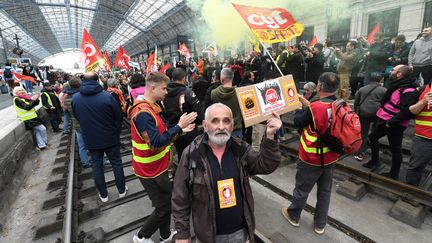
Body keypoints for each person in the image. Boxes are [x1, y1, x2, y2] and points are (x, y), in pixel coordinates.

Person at [172, 103, 282, 243]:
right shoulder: (192, 154)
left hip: (240, 233)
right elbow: (180, 196)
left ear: (232, 125)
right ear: (205, 125)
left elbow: (265, 165)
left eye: (226, 121)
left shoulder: (240, 149)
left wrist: (270, 136)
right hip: (208, 237)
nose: (221, 126)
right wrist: (182, 233)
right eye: (215, 121)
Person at [128, 72, 197, 243]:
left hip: (157, 167)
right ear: (152, 87)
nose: (166, 92)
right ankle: (141, 236)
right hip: (149, 170)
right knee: (164, 206)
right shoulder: (143, 112)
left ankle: (165, 235)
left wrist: (180, 129)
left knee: (165, 203)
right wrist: (179, 127)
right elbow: (156, 142)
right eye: (164, 88)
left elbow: (163, 130)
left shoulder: (152, 107)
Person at [282, 72, 340, 235]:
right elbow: (320, 114)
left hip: (311, 158)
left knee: (302, 189)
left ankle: (294, 215)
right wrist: (306, 102)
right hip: (330, 157)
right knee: (325, 191)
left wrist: (300, 106)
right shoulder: (341, 104)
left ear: (320, 86)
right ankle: (320, 224)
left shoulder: (315, 108)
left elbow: (298, 121)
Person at [72, 72, 127, 202]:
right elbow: (118, 117)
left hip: (91, 139)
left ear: (83, 80)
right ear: (98, 80)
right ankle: (121, 190)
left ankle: (103, 195)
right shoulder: (107, 97)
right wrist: (115, 131)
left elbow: (77, 117)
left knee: (96, 166)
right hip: (110, 137)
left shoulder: (76, 98)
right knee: (116, 163)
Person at [363, 65, 417, 180]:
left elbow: (406, 111)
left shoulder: (407, 90)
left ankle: (394, 174)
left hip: (395, 124)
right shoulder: (397, 85)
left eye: (393, 70)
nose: (391, 71)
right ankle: (374, 161)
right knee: (372, 138)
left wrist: (391, 122)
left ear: (399, 74)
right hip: (386, 119)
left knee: (395, 149)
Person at [163, 68, 204, 161]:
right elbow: (199, 111)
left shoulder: (164, 94)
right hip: (190, 131)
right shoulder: (187, 93)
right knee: (195, 158)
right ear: (184, 78)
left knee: (182, 158)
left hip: (174, 131)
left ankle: (182, 173)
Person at [353, 73, 387, 161]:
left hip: (363, 113)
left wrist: (355, 112)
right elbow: (385, 103)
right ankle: (374, 151)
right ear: (381, 80)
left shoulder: (362, 89)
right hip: (377, 114)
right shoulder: (384, 90)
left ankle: (361, 153)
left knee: (363, 133)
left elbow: (356, 102)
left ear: (370, 79)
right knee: (374, 133)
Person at [405, 82, 432, 186]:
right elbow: (409, 111)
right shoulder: (421, 90)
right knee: (416, 167)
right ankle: (410, 193)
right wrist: (423, 102)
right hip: (424, 138)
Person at [63, 77, 90, 168]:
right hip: (88, 123)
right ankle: (101, 161)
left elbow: (67, 110)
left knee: (81, 146)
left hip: (77, 124)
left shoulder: (66, 98)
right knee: (96, 143)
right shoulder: (83, 95)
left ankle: (85, 163)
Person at [211, 68, 243, 138]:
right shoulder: (240, 93)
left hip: (219, 130)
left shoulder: (213, 93)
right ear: (232, 78)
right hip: (236, 130)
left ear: (222, 79)